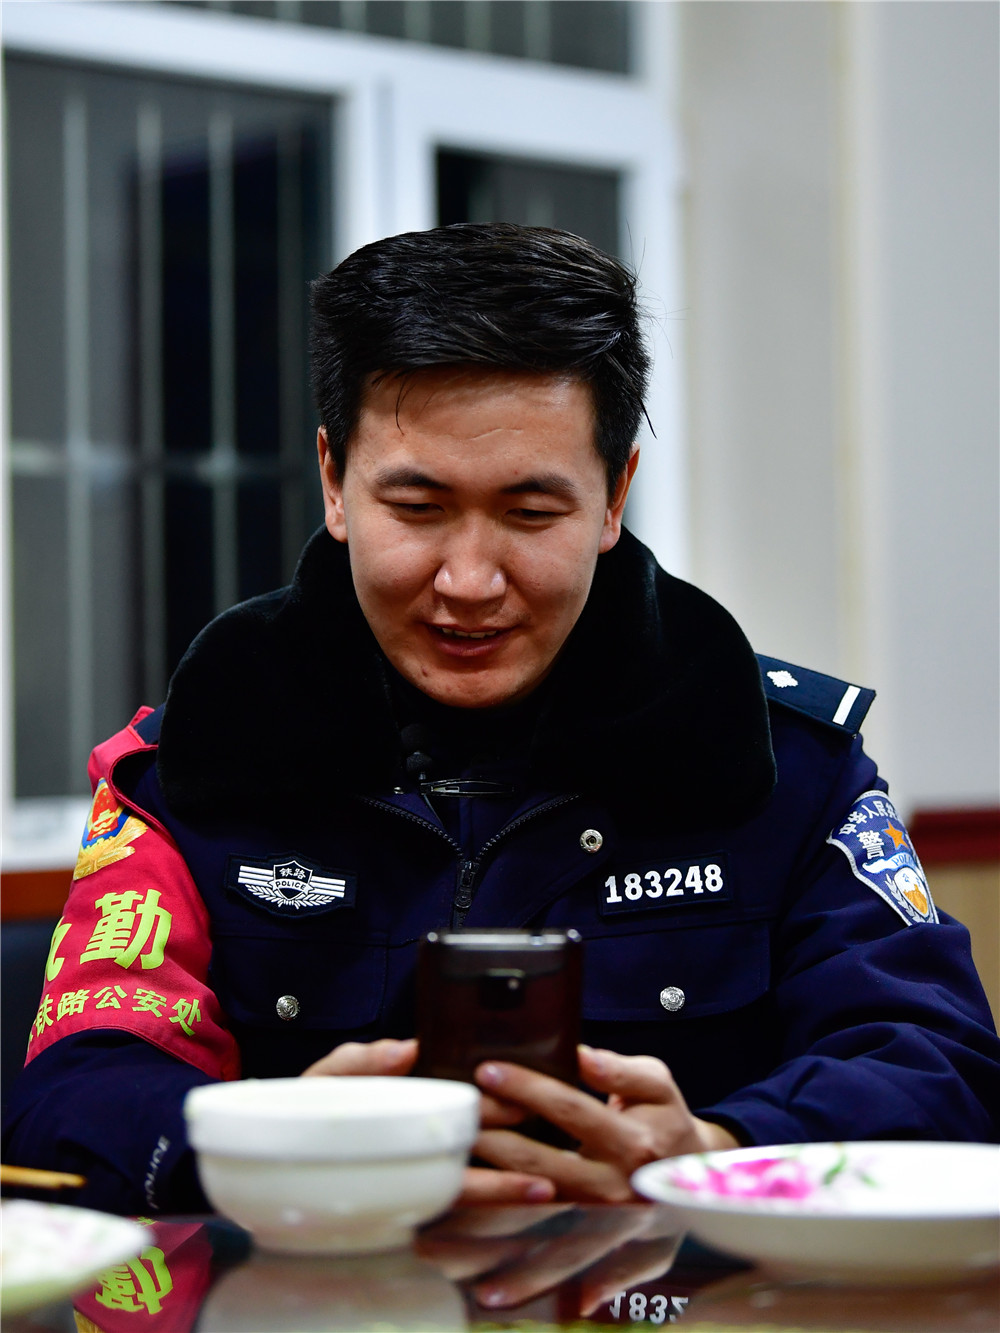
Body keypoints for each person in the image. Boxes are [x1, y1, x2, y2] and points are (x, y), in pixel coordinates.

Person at [4, 224, 998, 1216]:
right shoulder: (190, 767)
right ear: (334, 483)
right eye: (418, 507)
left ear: (612, 497)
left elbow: (940, 1064)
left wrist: (719, 1151)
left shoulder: (784, 764)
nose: (470, 582)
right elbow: (71, 1097)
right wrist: (249, 1148)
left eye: (529, 514)